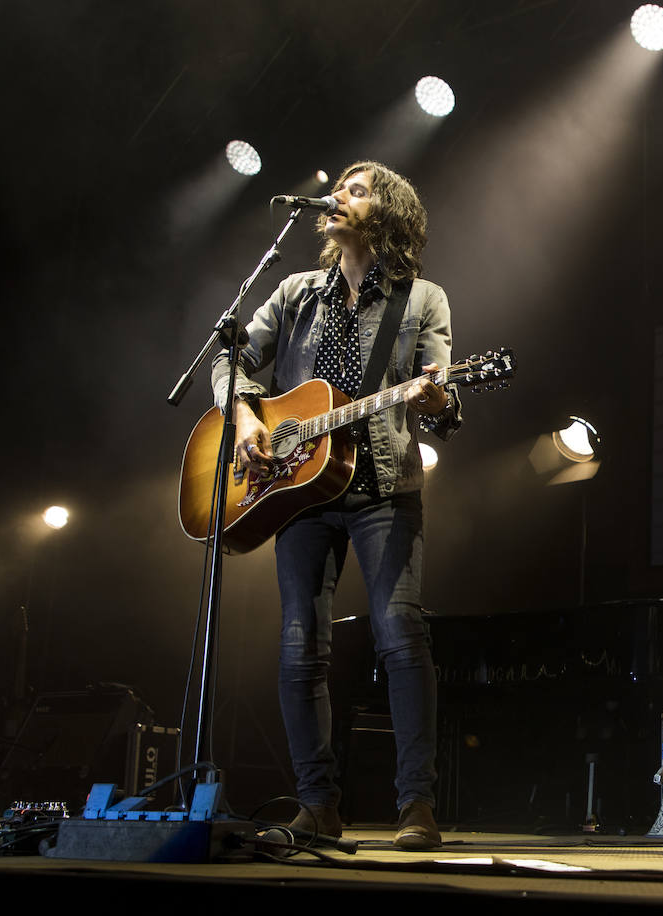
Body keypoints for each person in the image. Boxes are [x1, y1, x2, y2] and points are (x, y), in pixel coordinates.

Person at [212, 161, 460, 849]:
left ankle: (416, 805)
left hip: (385, 488)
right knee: (300, 649)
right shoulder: (295, 293)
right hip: (298, 492)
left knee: (400, 635)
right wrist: (246, 416)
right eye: (338, 188)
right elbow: (230, 355)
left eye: (354, 190)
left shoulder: (422, 300)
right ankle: (318, 804)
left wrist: (438, 397)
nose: (335, 198)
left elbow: (444, 398)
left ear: (387, 215)